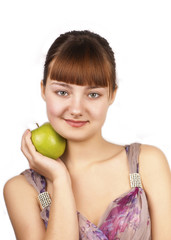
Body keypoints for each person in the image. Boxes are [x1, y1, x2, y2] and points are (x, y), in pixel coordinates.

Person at [3, 30, 171, 240]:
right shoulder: (22, 191)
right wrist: (60, 178)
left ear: (112, 95)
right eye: (62, 92)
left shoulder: (147, 163)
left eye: (93, 94)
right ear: (43, 90)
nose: (76, 109)